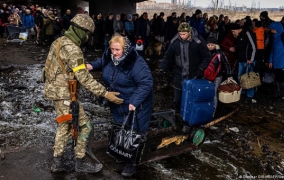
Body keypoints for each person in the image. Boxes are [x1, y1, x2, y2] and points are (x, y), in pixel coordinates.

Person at [43, 14, 124, 173]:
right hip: (64, 95)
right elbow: (84, 78)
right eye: (87, 33)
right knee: (86, 126)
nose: (88, 37)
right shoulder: (73, 49)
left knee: (64, 126)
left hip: (56, 92)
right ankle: (80, 162)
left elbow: (48, 68)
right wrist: (105, 93)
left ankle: (57, 163)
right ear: (80, 31)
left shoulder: (59, 41)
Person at [86, 34, 153, 177]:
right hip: (118, 102)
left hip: (136, 104)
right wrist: (90, 66)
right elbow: (102, 62)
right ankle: (122, 152)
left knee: (134, 132)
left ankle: (132, 162)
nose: (114, 53)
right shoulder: (110, 56)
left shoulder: (136, 62)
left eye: (118, 50)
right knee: (121, 127)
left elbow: (146, 83)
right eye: (112, 49)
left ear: (126, 48)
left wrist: (134, 101)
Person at [158, 22, 211, 132]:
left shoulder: (198, 42)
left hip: (194, 76)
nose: (181, 36)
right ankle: (179, 118)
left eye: (184, 34)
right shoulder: (174, 42)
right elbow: (168, 57)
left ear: (189, 32)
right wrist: (162, 69)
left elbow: (207, 57)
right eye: (180, 34)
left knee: (191, 100)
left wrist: (201, 69)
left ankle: (190, 122)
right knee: (177, 99)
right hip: (179, 75)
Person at [231, 23, 257, 103]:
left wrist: (251, 59)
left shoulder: (247, 33)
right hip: (241, 60)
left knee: (249, 79)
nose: (233, 33)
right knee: (240, 78)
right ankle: (242, 93)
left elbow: (253, 47)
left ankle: (250, 96)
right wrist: (235, 48)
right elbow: (241, 47)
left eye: (233, 31)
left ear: (238, 29)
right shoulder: (239, 36)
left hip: (248, 61)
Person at [206, 36, 232, 108]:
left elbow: (226, 63)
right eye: (208, 45)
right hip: (207, 75)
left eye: (212, 45)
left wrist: (229, 75)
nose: (210, 47)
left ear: (215, 45)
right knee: (206, 91)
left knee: (214, 93)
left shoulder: (220, 53)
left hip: (217, 76)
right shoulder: (204, 52)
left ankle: (213, 109)